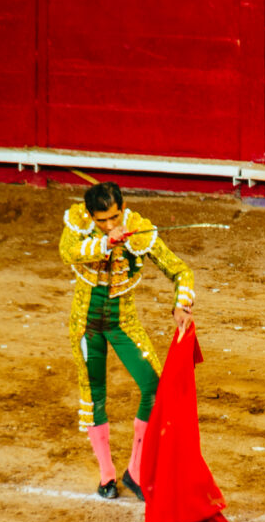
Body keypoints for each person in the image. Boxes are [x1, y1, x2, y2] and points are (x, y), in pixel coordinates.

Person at [59, 182, 195, 501]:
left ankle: (134, 470)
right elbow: (68, 252)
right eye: (101, 219)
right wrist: (105, 241)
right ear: (90, 215)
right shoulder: (78, 223)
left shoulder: (138, 230)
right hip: (86, 324)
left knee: (154, 386)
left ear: (123, 207)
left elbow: (180, 271)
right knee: (94, 396)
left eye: (115, 217)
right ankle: (106, 475)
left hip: (123, 323)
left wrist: (181, 304)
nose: (110, 223)